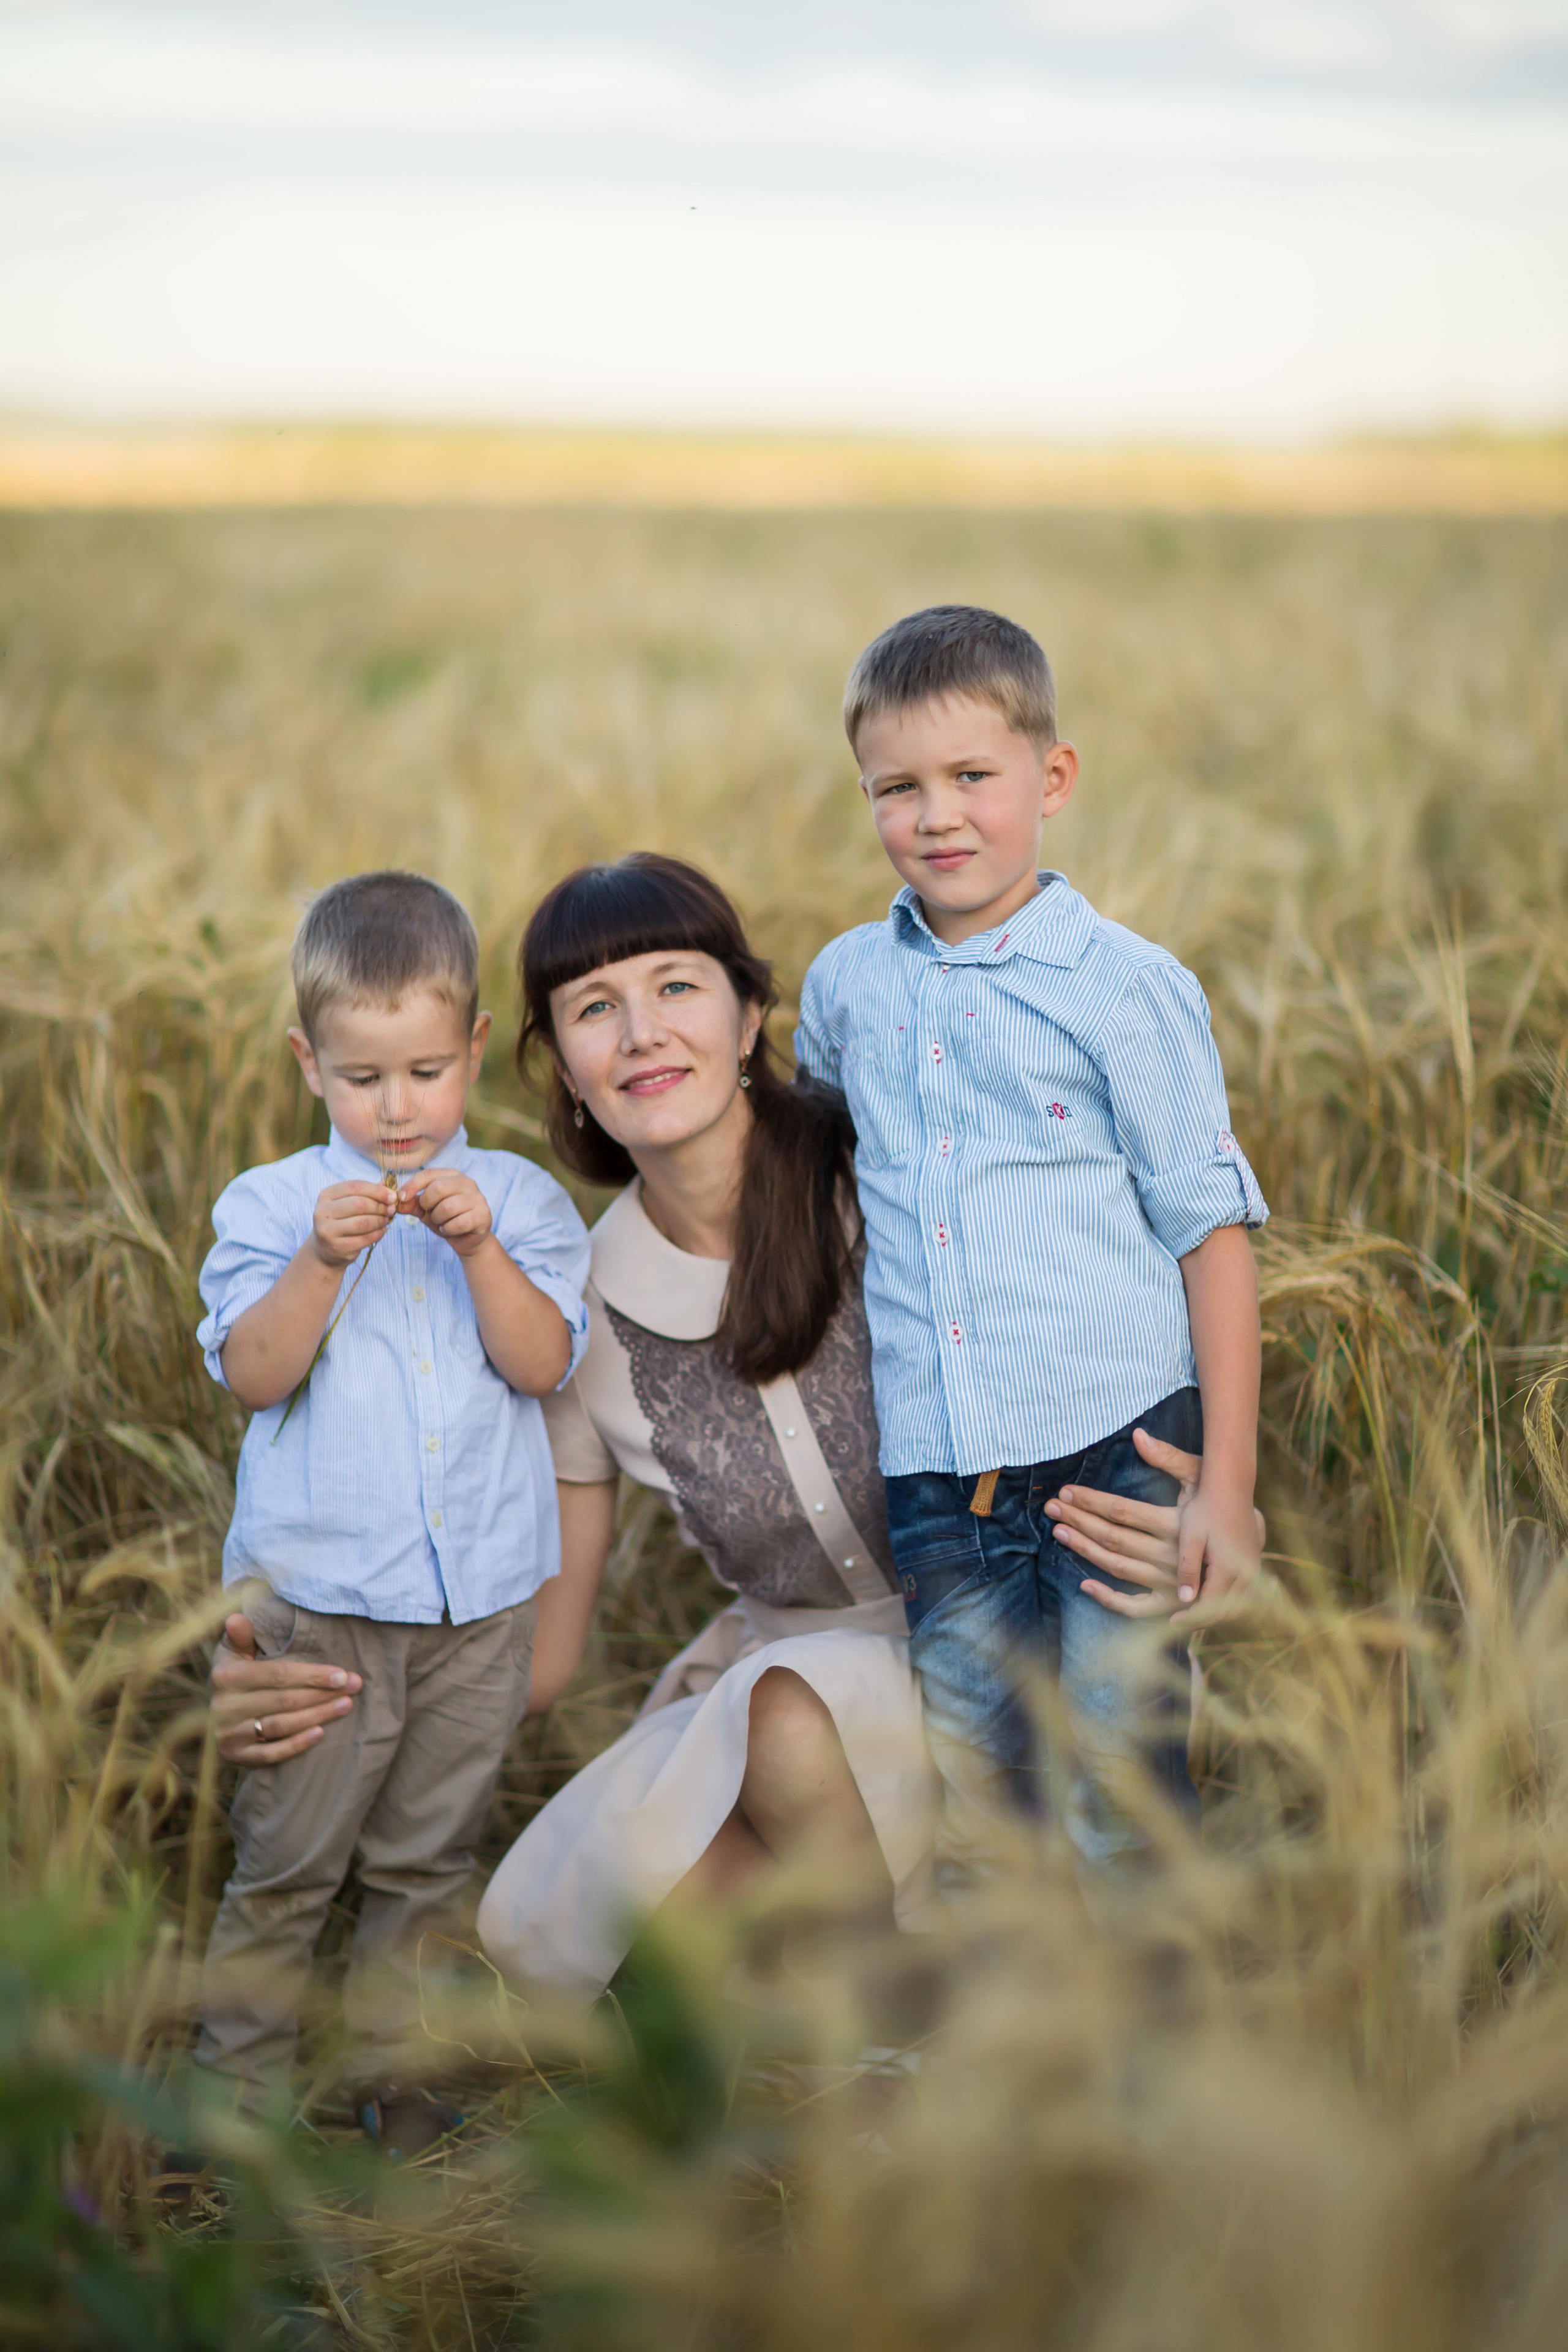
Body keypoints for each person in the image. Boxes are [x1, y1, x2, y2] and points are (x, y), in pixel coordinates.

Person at [213, 856, 1212, 2016]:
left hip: (1004, 1649)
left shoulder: (886, 1182)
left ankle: (912, 2048)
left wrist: (1178, 1471)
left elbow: (1113, 1282)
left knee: (788, 1721)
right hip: (791, 1681)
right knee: (546, 1940)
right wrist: (288, 1671)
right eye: (595, 1009)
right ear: (560, 1069)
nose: (640, 1033)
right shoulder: (572, 1304)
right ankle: (880, 1976)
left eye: (677, 987)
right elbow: (529, 1658)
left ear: (748, 1015)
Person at [795, 605, 1269, 1874]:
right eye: (896, 788)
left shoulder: (1123, 988)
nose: (935, 816)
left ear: (1050, 780)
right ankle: (1014, 2054)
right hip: (940, 1471)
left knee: (1117, 1790)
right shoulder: (846, 988)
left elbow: (1210, 1232)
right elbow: (823, 1175)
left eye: (970, 778)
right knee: (977, 1796)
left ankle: (1145, 2061)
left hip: (1119, 1453)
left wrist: (1222, 1484)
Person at [192, 870, 590, 2152]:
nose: (399, 1108)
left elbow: (540, 1367)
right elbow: (255, 1375)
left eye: (426, 1071)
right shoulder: (267, 1209)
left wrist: (478, 1251)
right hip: (322, 1612)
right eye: (363, 1079)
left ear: (473, 1050)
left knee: (426, 1866)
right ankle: (230, 2105)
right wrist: (320, 1260)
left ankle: (396, 2086)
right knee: (290, 1866)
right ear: (309, 1063)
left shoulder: (522, 1206)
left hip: (479, 1608)